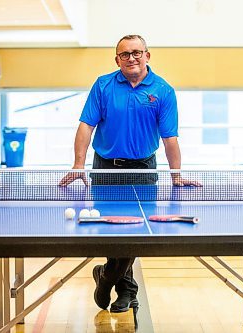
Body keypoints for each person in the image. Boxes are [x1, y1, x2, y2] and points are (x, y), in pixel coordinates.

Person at [59, 34, 200, 313]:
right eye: (125, 54)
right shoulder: (103, 85)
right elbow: (86, 126)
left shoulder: (162, 90)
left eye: (137, 52)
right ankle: (127, 291)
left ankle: (108, 277)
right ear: (117, 60)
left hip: (143, 169)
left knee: (136, 231)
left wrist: (177, 175)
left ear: (147, 55)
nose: (131, 58)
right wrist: (78, 164)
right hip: (105, 167)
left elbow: (170, 138)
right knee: (113, 228)